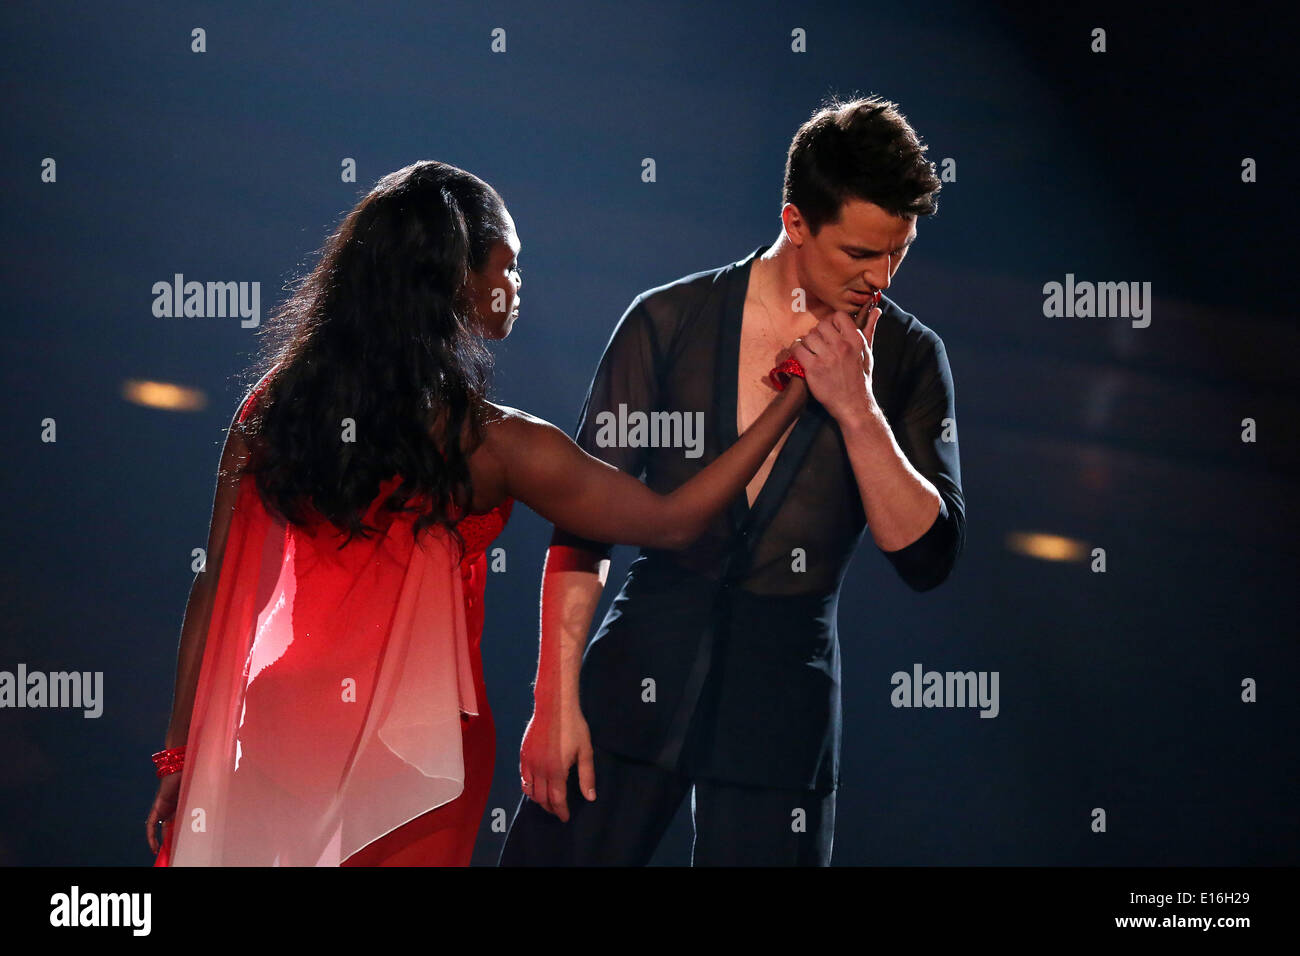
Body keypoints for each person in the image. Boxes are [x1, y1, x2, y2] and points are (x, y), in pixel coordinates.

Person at [145, 159, 811, 866]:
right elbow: (676, 520)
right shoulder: (493, 444)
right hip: (416, 750)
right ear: (457, 280)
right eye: (509, 266)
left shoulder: (273, 410)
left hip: (282, 725)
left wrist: (182, 753)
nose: (517, 286)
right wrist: (794, 397)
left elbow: (214, 587)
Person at [499, 95, 966, 866]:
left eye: (898, 252)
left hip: (784, 709)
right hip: (637, 670)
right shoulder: (669, 319)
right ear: (795, 223)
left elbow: (926, 559)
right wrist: (554, 700)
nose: (881, 278)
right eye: (858, 254)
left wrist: (857, 410)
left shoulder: (913, 359)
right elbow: (584, 525)